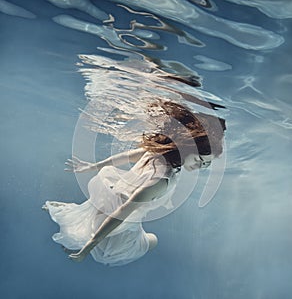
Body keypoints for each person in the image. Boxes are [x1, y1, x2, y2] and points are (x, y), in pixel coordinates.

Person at [43, 100, 226, 266]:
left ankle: (72, 218)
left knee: (98, 220)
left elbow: (127, 156)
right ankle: (81, 235)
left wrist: (93, 166)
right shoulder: (160, 181)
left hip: (107, 202)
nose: (200, 167)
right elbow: (120, 215)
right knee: (152, 240)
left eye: (206, 164)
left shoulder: (158, 151)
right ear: (188, 148)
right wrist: (88, 248)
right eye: (200, 160)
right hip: (118, 226)